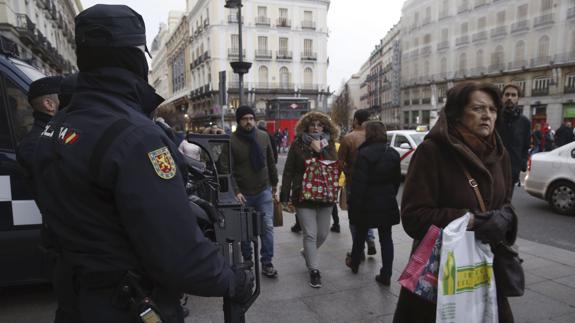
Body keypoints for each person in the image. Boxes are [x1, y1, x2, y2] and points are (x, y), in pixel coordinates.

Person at [32, 5, 252, 322]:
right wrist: (233, 280)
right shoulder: (135, 138)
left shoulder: (57, 127)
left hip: (77, 300)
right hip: (127, 305)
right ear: (134, 57)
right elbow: (179, 254)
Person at [393, 81, 518, 323]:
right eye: (478, 109)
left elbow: (507, 202)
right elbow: (413, 217)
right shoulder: (432, 152)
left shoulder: (500, 154)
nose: (487, 116)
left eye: (492, 110)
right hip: (442, 270)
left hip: (487, 266)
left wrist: (507, 217)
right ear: (457, 113)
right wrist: (470, 220)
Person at [280, 111, 339, 288]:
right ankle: (314, 270)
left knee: (322, 233)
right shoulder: (297, 144)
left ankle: (307, 252)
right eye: (312, 125)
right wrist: (285, 196)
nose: (315, 128)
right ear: (306, 127)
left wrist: (320, 150)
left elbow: (335, 165)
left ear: (325, 127)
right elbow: (289, 170)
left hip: (325, 194)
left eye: (319, 125)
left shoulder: (330, 145)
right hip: (303, 194)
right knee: (310, 234)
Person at [347, 121, 400, 286]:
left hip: (367, 202)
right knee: (386, 238)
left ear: (368, 134)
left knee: (360, 235)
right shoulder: (392, 153)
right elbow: (396, 180)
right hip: (387, 201)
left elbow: (359, 183)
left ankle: (355, 263)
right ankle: (386, 274)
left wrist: (354, 205)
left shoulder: (364, 154)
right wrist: (390, 194)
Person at [231, 105, 279, 278]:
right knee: (244, 230)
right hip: (243, 193)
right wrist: (236, 191)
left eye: (251, 118)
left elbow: (271, 162)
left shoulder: (263, 136)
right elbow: (226, 169)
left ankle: (267, 262)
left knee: (267, 227)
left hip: (263, 190)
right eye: (244, 119)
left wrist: (274, 185)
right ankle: (247, 260)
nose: (249, 121)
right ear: (239, 121)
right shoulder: (232, 141)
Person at [338, 109, 377, 258]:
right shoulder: (374, 136)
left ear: (355, 120)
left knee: (354, 216)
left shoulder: (349, 138)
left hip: (354, 182)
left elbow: (340, 163)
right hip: (372, 182)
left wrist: (347, 172)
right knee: (367, 212)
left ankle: (358, 249)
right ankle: (370, 239)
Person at [496, 84, 531, 187]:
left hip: (513, 170)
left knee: (507, 200)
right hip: (494, 167)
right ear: (502, 97)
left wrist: (522, 164)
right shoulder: (494, 118)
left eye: (513, 95)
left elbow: (526, 146)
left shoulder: (525, 122)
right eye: (507, 94)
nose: (509, 98)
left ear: (518, 98)